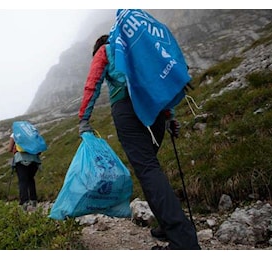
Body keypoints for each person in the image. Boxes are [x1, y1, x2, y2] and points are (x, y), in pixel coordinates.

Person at [78, 33, 201, 250]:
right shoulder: (135, 48)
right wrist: (170, 116)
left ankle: (183, 240)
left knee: (147, 169)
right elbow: (158, 81)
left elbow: (92, 84)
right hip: (155, 111)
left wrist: (84, 120)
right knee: (150, 168)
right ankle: (167, 224)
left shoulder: (105, 51)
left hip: (127, 110)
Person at [7, 130, 41, 210]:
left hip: (20, 159)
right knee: (31, 179)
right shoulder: (33, 133)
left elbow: (9, 149)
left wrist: (16, 150)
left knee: (22, 181)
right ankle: (34, 201)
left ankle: (24, 202)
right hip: (33, 160)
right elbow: (39, 150)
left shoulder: (14, 134)